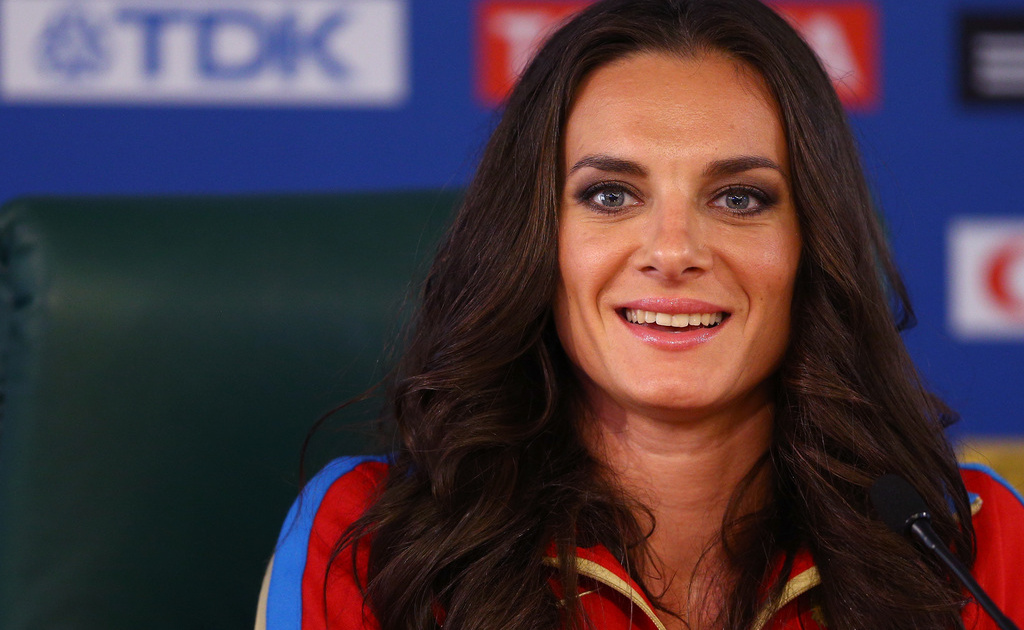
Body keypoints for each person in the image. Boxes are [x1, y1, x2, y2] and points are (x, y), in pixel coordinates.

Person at [255, 1, 1024, 628]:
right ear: (534, 241)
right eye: (611, 195)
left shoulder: (975, 541)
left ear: (811, 246)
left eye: (739, 198)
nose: (673, 250)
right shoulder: (373, 540)